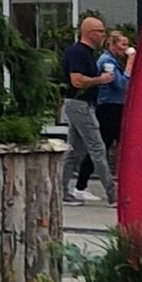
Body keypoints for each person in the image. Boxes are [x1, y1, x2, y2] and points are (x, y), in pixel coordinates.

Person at [59, 11, 117, 199]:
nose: (103, 35)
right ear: (90, 32)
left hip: (80, 103)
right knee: (97, 147)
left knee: (74, 149)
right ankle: (111, 192)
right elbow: (77, 81)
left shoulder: (87, 54)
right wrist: (101, 79)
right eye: (100, 31)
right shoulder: (78, 53)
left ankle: (62, 190)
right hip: (80, 103)